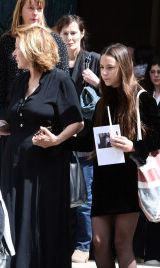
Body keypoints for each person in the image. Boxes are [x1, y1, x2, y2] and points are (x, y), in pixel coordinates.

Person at [0, 24, 83, 268]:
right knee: (15, 222)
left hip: (46, 168)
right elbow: (12, 124)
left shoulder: (60, 80)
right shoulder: (20, 80)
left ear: (33, 50)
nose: (13, 54)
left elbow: (76, 123)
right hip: (15, 165)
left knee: (42, 224)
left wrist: (55, 139)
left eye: (17, 49)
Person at [68, 43, 160, 268]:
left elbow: (158, 136)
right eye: (101, 68)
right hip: (104, 179)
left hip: (129, 180)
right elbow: (89, 139)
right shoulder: (102, 103)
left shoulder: (142, 99)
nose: (104, 73)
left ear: (124, 68)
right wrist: (59, 138)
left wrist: (133, 146)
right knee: (99, 242)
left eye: (110, 68)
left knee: (121, 242)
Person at [54, 14, 100, 263]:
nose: (70, 38)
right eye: (65, 34)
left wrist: (99, 83)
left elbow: (117, 95)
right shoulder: (54, 62)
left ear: (82, 33)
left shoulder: (95, 61)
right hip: (59, 139)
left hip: (85, 139)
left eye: (74, 33)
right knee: (60, 195)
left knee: (84, 198)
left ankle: (83, 245)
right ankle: (62, 242)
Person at [0, 0, 69, 119]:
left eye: (39, 9)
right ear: (20, 11)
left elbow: (64, 78)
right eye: (31, 8)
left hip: (45, 110)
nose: (35, 13)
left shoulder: (55, 40)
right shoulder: (8, 40)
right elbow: (0, 81)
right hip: (14, 109)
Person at [135, 55, 160, 265]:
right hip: (150, 157)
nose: (156, 76)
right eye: (152, 72)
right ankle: (143, 251)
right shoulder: (145, 96)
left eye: (159, 72)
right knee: (148, 202)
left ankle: (154, 253)